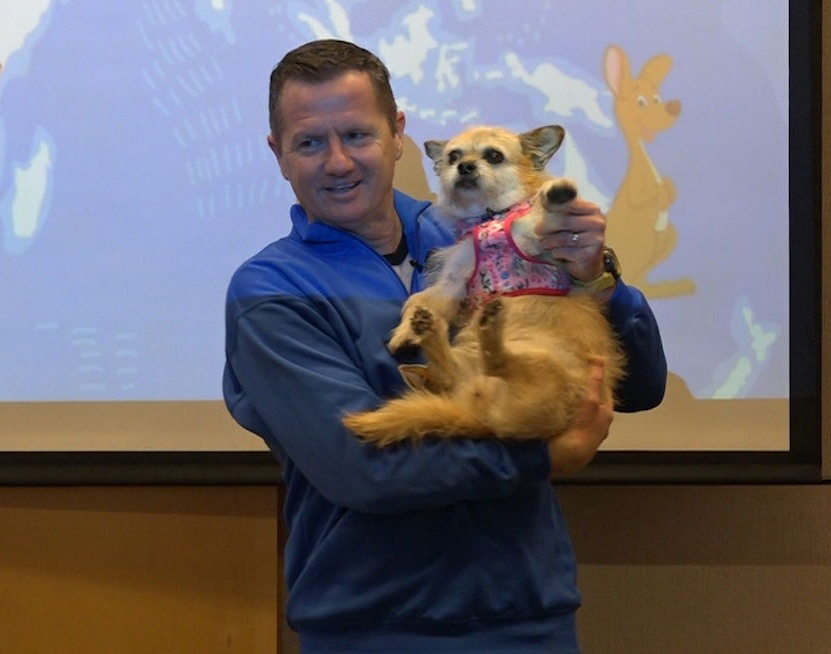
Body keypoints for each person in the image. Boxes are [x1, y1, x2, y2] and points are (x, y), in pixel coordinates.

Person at [224, 39, 666, 653]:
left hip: (528, 617)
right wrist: (539, 460)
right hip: (375, 629)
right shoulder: (271, 291)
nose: (338, 162)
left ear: (397, 133)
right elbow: (362, 468)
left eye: (356, 134)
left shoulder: (483, 230)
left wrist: (594, 277)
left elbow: (641, 386)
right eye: (309, 142)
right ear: (278, 154)